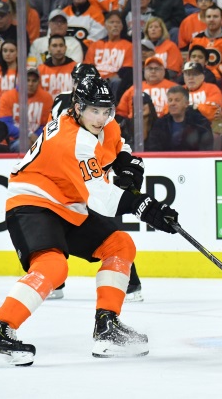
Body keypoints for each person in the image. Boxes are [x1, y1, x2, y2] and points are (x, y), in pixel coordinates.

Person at [0, 76, 179, 367]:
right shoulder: (72, 141)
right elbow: (104, 201)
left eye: (105, 110)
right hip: (33, 203)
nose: (100, 117)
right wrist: (145, 207)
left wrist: (125, 160)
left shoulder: (104, 123)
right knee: (53, 267)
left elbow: (117, 145)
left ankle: (107, 328)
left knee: (120, 244)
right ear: (77, 107)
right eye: (93, 110)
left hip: (70, 205)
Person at [50, 63, 147, 302]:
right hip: (68, 179)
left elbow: (113, 141)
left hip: (92, 178)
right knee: (56, 230)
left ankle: (131, 284)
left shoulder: (103, 111)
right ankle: (56, 282)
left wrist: (122, 162)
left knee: (110, 233)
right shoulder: (63, 105)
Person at [145, 85, 214, 151]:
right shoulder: (160, 124)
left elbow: (206, 148)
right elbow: (153, 148)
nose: (172, 103)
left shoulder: (200, 122)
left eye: (177, 100)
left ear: (186, 103)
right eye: (170, 100)